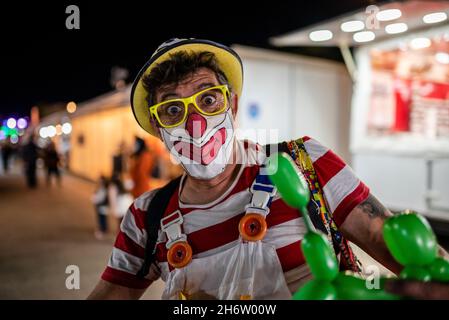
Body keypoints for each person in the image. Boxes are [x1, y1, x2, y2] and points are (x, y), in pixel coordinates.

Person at [88, 38, 449, 300]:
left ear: (232, 105)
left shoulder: (305, 162)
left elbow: (406, 254)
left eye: (208, 99)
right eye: (172, 110)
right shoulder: (146, 218)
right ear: (159, 132)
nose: (195, 121)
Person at [91, 175, 109, 240]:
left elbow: (100, 198)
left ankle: (102, 231)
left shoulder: (103, 189)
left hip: (101, 206)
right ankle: (104, 229)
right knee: (103, 218)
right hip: (102, 206)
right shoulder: (103, 188)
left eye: (100, 181)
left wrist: (96, 200)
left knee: (101, 218)